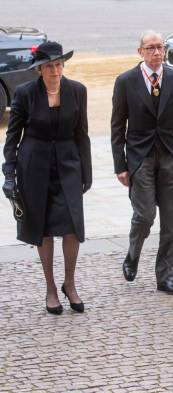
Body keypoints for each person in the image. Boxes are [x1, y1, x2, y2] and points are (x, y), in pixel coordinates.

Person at [2, 41, 91, 314]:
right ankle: (51, 289)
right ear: (39, 69)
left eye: (59, 64)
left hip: (69, 166)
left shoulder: (77, 91)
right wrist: (9, 175)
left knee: (73, 227)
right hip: (34, 168)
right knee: (42, 229)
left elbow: (82, 134)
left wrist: (87, 172)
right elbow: (12, 138)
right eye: (50, 66)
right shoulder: (25, 94)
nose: (56, 70)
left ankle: (70, 284)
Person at [111, 30, 173, 296]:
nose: (156, 52)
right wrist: (120, 165)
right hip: (140, 157)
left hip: (171, 156)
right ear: (140, 52)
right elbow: (117, 127)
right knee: (145, 215)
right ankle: (133, 253)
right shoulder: (125, 81)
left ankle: (165, 275)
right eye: (150, 48)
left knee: (171, 220)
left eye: (160, 47)